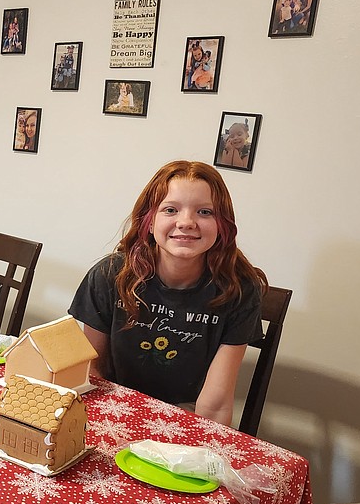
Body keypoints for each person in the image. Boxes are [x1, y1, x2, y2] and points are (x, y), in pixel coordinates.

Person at [69, 161, 267, 425]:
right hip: (115, 404)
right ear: (149, 222)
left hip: (187, 414)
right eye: (170, 209)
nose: (186, 222)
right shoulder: (108, 275)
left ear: (222, 226)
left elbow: (215, 404)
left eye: (205, 212)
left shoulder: (239, 290)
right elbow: (92, 371)